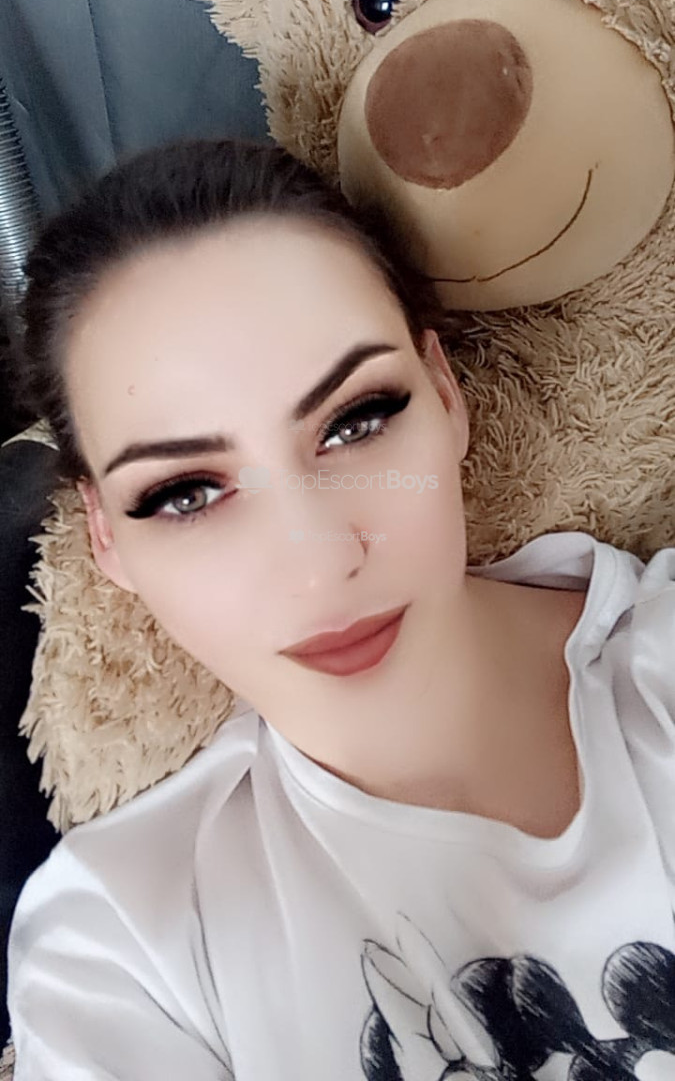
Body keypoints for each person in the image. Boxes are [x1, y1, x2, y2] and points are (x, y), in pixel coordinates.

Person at [6, 138, 675, 1081]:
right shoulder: (121, 949)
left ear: (443, 394)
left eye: (355, 422)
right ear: (105, 537)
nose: (317, 565)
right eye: (185, 493)